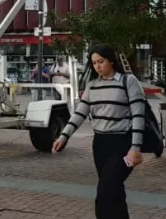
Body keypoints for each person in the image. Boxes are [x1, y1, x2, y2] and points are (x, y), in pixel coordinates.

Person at [52, 44, 146, 219]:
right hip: (100, 145)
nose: (97, 66)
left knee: (105, 192)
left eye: (101, 61)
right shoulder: (92, 86)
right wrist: (64, 136)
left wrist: (135, 148)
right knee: (115, 191)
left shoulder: (128, 82)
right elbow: (79, 114)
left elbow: (138, 116)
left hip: (122, 144)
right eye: (94, 63)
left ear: (111, 61)